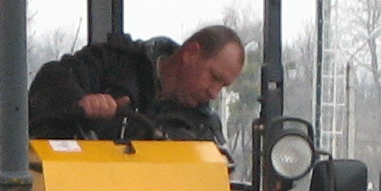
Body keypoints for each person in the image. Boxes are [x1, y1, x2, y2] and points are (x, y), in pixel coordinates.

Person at [27, 24, 247, 145]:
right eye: (214, 77)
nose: (214, 93)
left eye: (223, 86)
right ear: (190, 53)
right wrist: (81, 102)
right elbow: (52, 78)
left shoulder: (204, 130)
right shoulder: (115, 62)